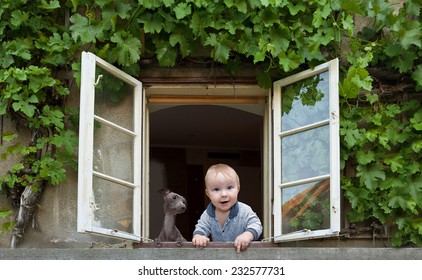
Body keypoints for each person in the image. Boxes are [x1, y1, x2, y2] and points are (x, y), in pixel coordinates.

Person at [192, 163, 262, 253]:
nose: (224, 194)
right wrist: (199, 236)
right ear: (208, 194)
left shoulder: (244, 210)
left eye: (229, 188)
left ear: (238, 189)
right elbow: (201, 228)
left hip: (243, 255)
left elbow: (256, 224)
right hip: (219, 256)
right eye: (216, 189)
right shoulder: (208, 214)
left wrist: (247, 235)